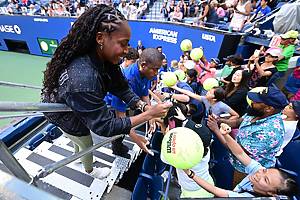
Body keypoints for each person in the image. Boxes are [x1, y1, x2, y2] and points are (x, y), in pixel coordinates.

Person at [42, 5, 171, 179]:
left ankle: (76, 157)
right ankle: (89, 170)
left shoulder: (103, 57)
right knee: (84, 139)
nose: (127, 51)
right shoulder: (83, 80)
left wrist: (141, 105)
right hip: (63, 114)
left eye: (128, 44)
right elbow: (105, 126)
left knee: (79, 138)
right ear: (100, 38)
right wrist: (149, 115)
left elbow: (121, 87)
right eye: (122, 44)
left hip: (74, 103)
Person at [184, 123, 299, 197]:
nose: (259, 173)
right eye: (265, 171)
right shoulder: (259, 171)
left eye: (266, 180)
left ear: (270, 193)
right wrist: (226, 135)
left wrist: (190, 173)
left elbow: (216, 191)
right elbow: (240, 153)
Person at [209, 85, 288, 181]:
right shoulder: (257, 111)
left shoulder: (270, 132)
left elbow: (238, 152)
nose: (252, 102)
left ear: (269, 108)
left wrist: (216, 130)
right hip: (234, 158)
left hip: (245, 170)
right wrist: (218, 120)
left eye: (256, 101)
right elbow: (237, 122)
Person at [110, 48, 163, 158]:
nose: (156, 73)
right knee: (119, 129)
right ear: (143, 65)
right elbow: (121, 117)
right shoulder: (126, 79)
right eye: (155, 69)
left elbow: (144, 95)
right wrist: (137, 139)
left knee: (127, 127)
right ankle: (117, 147)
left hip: (130, 106)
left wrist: (151, 116)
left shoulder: (147, 73)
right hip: (112, 107)